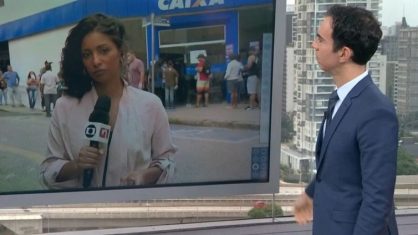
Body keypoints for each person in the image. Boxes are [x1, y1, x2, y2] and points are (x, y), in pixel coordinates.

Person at [293, 5, 398, 235]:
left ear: (344, 53)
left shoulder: (376, 112)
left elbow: (377, 202)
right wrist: (310, 193)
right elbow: (339, 163)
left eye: (320, 39)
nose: (314, 45)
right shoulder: (339, 99)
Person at [40, 13, 176, 189]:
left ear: (121, 53)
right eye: (87, 54)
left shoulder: (150, 105)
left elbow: (167, 160)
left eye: (104, 50)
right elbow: (47, 169)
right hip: (83, 211)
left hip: (134, 209)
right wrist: (76, 166)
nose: (95, 61)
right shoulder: (64, 107)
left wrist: (146, 175)